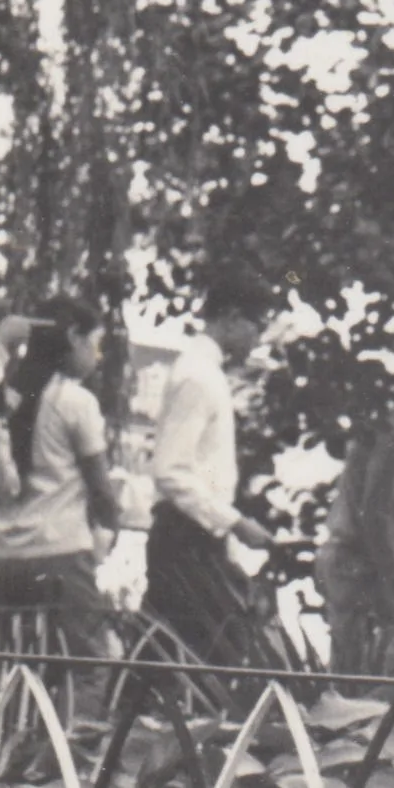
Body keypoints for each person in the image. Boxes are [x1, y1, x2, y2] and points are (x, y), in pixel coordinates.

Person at [145, 264, 275, 665]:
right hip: (186, 535)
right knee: (198, 655)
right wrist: (234, 521)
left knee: (185, 655)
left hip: (197, 536)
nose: (259, 338)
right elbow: (169, 470)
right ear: (232, 317)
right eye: (257, 325)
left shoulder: (204, 374)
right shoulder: (197, 377)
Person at [0, 300, 124, 667]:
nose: (96, 355)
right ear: (74, 338)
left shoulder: (3, 393)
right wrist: (108, 532)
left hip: (1, 553)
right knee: (89, 665)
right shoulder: (76, 400)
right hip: (59, 551)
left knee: (8, 664)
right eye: (94, 343)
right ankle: (80, 726)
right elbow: (100, 488)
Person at [313, 379, 394, 674]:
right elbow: (375, 511)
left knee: (355, 670)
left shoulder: (389, 431)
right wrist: (392, 574)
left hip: (353, 559)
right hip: (358, 561)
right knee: (357, 677)